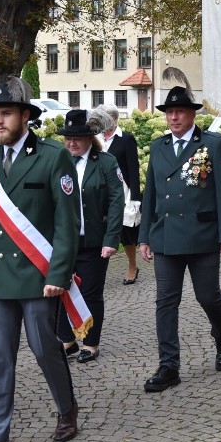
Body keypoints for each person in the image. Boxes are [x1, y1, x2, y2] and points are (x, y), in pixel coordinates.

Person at [0, 77, 80, 442]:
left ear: (25, 116)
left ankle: (66, 408)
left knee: (45, 347)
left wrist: (59, 273)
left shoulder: (52, 156)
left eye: (5, 113)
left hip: (37, 274)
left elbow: (68, 222)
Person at [139, 86, 221, 392]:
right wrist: (144, 236)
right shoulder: (158, 147)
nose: (174, 117)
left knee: (207, 296)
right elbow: (150, 195)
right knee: (165, 303)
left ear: (192, 113)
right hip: (166, 238)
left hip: (202, 236)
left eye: (180, 111)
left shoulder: (211, 144)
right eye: (169, 112)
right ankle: (169, 366)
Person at [57, 109, 124, 363]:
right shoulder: (59, 161)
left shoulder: (106, 162)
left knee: (91, 293)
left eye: (78, 138)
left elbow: (117, 201)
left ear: (90, 138)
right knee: (61, 289)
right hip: (64, 242)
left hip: (94, 241)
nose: (72, 142)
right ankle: (67, 340)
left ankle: (91, 343)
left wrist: (111, 239)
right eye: (68, 138)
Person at [97, 105, 141, 285]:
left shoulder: (126, 140)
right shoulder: (95, 139)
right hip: (100, 193)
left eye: (106, 118)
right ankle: (98, 269)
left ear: (115, 119)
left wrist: (136, 198)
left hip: (123, 192)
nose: (103, 122)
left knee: (126, 232)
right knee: (100, 231)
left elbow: (133, 170)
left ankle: (132, 266)